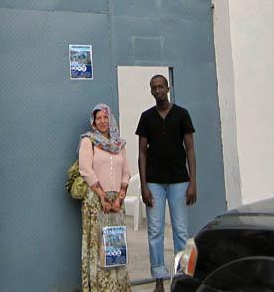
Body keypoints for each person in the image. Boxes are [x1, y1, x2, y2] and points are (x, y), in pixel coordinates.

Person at [136, 75, 196, 292]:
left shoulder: (182, 114)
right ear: (151, 91)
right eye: (154, 87)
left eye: (161, 86)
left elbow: (190, 149)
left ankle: (181, 278)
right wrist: (143, 185)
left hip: (180, 181)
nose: (158, 90)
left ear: (168, 88)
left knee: (181, 231)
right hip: (154, 183)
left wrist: (192, 182)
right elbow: (142, 153)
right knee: (155, 232)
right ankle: (159, 279)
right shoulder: (146, 117)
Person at [78, 103, 131, 292]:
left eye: (105, 117)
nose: (102, 121)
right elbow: (85, 169)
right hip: (96, 201)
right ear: (94, 121)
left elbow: (126, 172)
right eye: (98, 118)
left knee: (115, 245)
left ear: (111, 119)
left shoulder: (119, 144)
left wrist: (120, 196)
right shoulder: (88, 141)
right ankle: (100, 287)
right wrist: (102, 195)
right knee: (98, 245)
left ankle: (118, 287)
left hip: (116, 202)